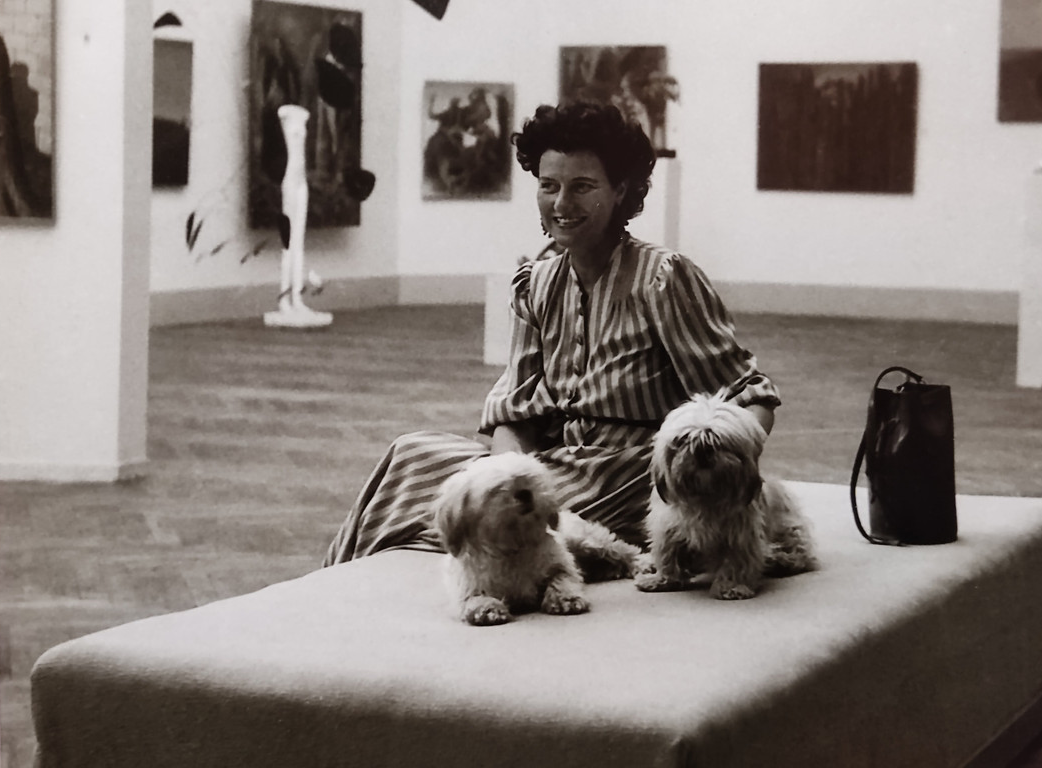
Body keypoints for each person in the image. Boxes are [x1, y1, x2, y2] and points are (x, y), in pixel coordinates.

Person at [323, 100, 779, 565]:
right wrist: (507, 476)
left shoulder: (662, 278)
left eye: (582, 187)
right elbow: (514, 414)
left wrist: (718, 482)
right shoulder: (535, 284)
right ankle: (338, 586)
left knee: (477, 518)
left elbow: (750, 395)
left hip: (632, 476)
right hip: (548, 465)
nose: (561, 204)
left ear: (621, 191)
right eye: (549, 186)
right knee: (410, 456)